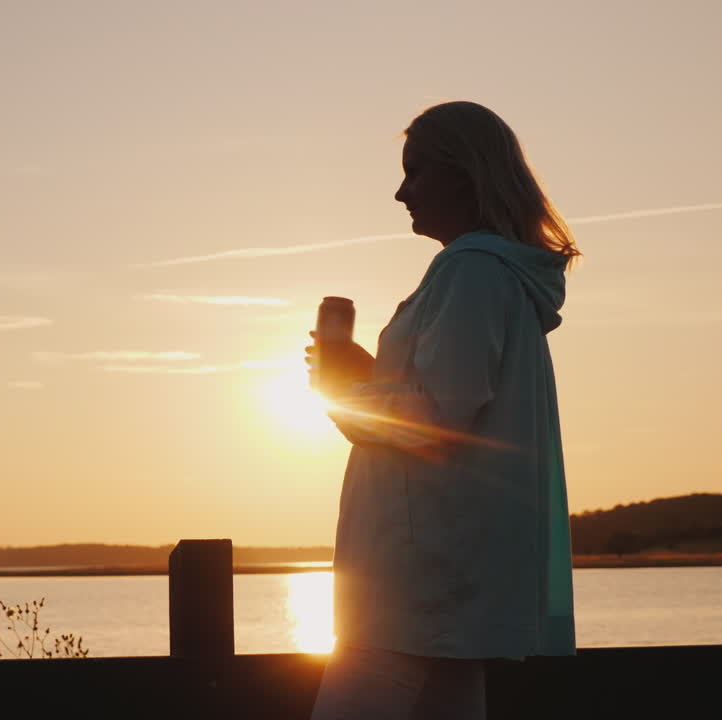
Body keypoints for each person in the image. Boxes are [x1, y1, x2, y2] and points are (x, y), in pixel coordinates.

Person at [306, 101, 581, 720]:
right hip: (451, 580)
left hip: (416, 581)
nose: (401, 192)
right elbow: (451, 402)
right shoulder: (499, 276)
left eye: (416, 171)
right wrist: (367, 374)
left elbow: (434, 420)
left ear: (465, 173)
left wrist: (344, 389)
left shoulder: (472, 270)